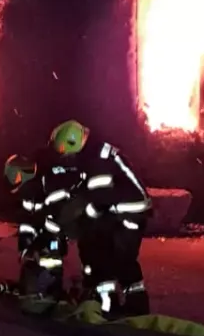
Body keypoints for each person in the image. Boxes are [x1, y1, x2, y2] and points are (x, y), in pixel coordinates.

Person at [51, 119, 153, 317]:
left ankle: (129, 308)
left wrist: (82, 222)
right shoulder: (93, 153)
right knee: (107, 253)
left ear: (74, 143)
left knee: (118, 258)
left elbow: (100, 199)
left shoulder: (96, 159)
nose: (67, 158)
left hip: (129, 211)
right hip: (119, 210)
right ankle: (120, 305)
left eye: (67, 153)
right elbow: (89, 192)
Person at [0, 150, 81, 301]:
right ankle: (38, 287)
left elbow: (57, 223)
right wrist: (26, 245)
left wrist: (36, 245)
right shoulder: (30, 194)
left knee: (51, 254)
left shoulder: (49, 189)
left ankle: (53, 289)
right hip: (51, 228)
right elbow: (28, 221)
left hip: (65, 226)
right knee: (36, 259)